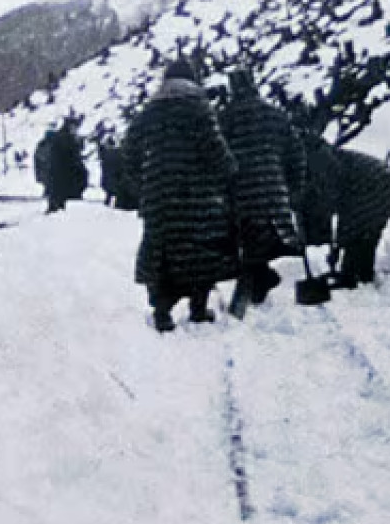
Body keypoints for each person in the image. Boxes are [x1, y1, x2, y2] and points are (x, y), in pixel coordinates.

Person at [122, 59, 237, 332]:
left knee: (162, 252)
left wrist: (145, 184)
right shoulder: (199, 107)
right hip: (196, 195)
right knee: (199, 250)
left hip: (158, 197)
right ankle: (198, 309)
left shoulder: (148, 111)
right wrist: (230, 169)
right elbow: (215, 148)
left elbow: (129, 152)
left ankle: (162, 311)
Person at [219, 68, 305, 307]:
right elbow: (296, 155)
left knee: (249, 246)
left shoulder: (225, 118)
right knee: (262, 243)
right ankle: (259, 285)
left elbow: (219, 157)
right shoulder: (276, 115)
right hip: (275, 193)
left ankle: (253, 293)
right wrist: (294, 188)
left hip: (243, 194)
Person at [332, 149, 390, 287]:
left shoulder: (333, 172)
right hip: (379, 186)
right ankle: (361, 275)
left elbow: (348, 219)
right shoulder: (334, 162)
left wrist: (337, 246)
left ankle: (357, 277)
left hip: (377, 189)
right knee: (365, 235)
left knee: (364, 234)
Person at [42, 120, 88, 212]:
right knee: (58, 198)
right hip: (60, 172)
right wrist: (77, 144)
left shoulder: (61, 137)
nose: (76, 130)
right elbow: (70, 154)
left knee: (57, 197)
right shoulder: (65, 138)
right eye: (74, 128)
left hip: (58, 172)